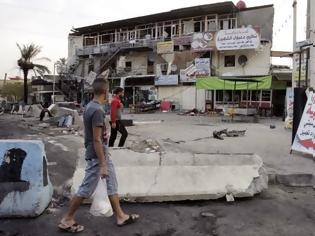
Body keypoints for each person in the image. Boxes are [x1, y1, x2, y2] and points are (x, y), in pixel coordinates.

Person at [58, 79, 139, 233]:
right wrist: (102, 164)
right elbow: (96, 139)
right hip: (97, 156)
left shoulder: (91, 106)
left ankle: (120, 216)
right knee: (86, 189)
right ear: (105, 91)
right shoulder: (97, 110)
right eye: (108, 91)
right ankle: (67, 219)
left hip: (101, 154)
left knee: (111, 184)